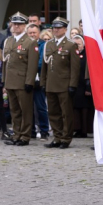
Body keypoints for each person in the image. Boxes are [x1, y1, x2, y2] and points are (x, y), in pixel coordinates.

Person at [41, 17, 80, 149]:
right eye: (54, 28)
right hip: (51, 84)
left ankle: (66, 138)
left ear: (65, 29)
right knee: (53, 112)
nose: (56, 30)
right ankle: (57, 137)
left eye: (59, 28)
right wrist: (43, 82)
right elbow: (45, 66)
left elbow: (75, 68)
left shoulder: (71, 44)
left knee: (66, 113)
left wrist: (72, 85)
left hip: (64, 84)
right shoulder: (49, 44)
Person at [2, 12, 38, 146]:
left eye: (19, 24)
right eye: (14, 24)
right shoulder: (9, 40)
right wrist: (4, 80)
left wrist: (29, 82)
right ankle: (16, 134)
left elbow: (32, 65)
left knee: (25, 110)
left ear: (24, 26)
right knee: (14, 110)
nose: (16, 26)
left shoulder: (30, 42)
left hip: (23, 82)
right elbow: (6, 62)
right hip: (10, 81)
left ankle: (25, 136)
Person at [26, 23, 50, 140]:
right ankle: (31, 131)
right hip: (26, 80)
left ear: (38, 33)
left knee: (40, 107)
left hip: (38, 80)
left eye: (34, 32)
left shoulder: (43, 45)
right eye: (30, 33)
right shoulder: (25, 44)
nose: (32, 35)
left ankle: (44, 130)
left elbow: (40, 62)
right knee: (28, 107)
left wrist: (29, 67)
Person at [71, 35, 94, 138]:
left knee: (85, 108)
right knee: (75, 108)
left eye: (78, 44)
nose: (77, 46)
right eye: (74, 45)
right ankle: (77, 129)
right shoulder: (72, 53)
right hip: (75, 85)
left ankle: (85, 130)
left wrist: (88, 87)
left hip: (84, 85)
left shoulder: (88, 54)